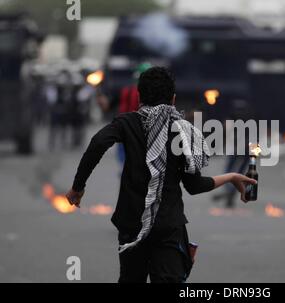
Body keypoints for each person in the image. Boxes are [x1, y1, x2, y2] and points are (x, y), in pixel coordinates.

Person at [65, 67, 256, 283]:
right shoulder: (182, 131)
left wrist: (78, 187)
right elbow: (194, 186)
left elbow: (98, 143)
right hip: (168, 226)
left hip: (132, 223)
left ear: (139, 97)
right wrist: (231, 177)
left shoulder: (127, 122)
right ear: (173, 99)